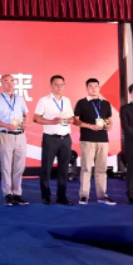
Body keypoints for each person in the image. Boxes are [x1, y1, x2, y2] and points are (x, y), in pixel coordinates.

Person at [73, 78, 116, 206]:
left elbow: (110, 120)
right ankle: (84, 195)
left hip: (103, 140)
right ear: (87, 88)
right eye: (90, 86)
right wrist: (90, 126)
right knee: (86, 168)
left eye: (96, 86)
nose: (93, 88)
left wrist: (109, 126)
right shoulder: (81, 103)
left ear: (99, 88)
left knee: (101, 169)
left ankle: (102, 195)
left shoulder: (105, 103)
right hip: (87, 139)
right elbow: (75, 121)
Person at [33, 75, 75, 205]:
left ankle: (62, 196)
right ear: (51, 85)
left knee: (64, 169)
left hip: (65, 138)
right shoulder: (44, 100)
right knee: (46, 168)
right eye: (56, 84)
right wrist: (52, 121)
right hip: (50, 138)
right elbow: (36, 118)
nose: (59, 87)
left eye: (62, 84)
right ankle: (46, 196)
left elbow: (72, 118)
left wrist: (70, 120)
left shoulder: (66, 100)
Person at [0, 74, 29, 206]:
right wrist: (6, 125)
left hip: (20, 135)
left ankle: (17, 193)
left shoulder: (20, 98)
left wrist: (24, 123)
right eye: (6, 81)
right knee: (6, 166)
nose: (9, 83)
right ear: (2, 84)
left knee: (19, 166)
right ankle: (7, 194)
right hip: (6, 134)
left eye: (12, 81)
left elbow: (25, 114)